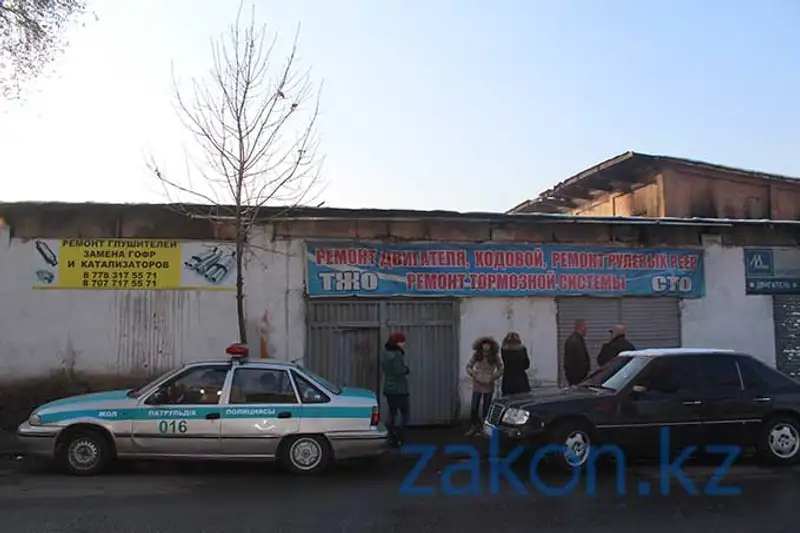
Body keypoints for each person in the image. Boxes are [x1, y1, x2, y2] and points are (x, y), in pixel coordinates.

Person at [465, 336, 503, 436]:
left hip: (488, 384)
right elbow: (468, 366)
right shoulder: (477, 355)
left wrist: (493, 377)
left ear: (491, 346)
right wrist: (473, 374)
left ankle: (487, 429)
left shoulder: (495, 356)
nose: (486, 346)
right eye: (484, 344)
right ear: (481, 345)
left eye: (488, 344)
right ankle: (474, 426)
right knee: (474, 407)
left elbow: (501, 368)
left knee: (487, 407)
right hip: (477, 383)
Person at [381, 332, 410, 447]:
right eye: (402, 342)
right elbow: (399, 371)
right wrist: (406, 369)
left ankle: (390, 436)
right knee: (405, 414)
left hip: (389, 389)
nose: (404, 344)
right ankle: (400, 437)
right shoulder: (397, 355)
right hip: (399, 390)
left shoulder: (386, 354)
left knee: (392, 414)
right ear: (397, 343)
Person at [564, 319, 590, 386]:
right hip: (577, 377)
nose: (586, 330)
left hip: (576, 376)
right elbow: (579, 360)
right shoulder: (575, 341)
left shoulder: (577, 339)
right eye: (585, 328)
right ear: (580, 327)